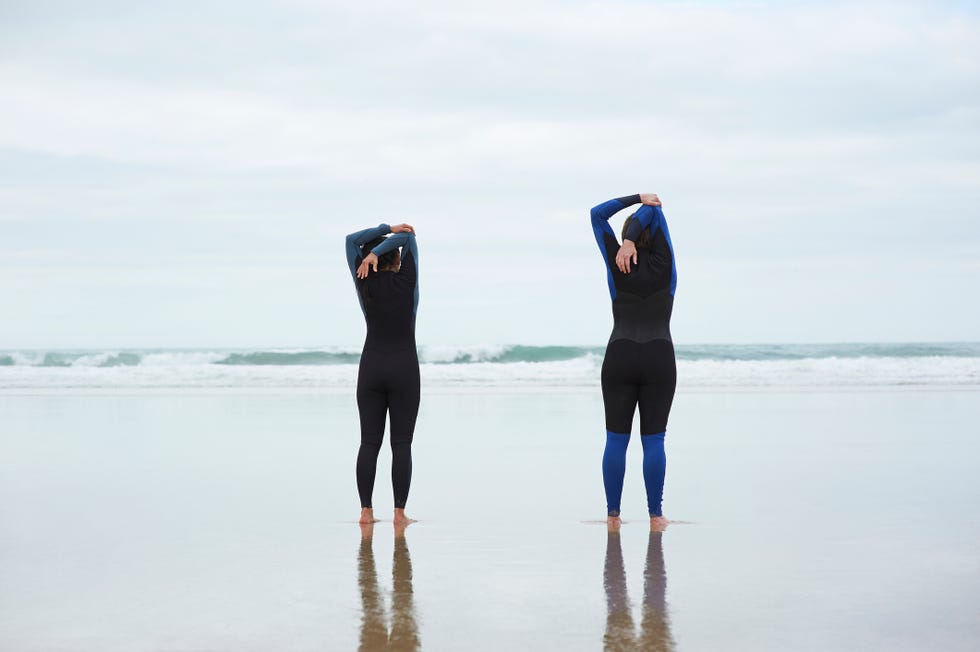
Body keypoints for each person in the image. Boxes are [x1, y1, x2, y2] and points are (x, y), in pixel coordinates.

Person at [590, 193, 677, 531]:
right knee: (654, 440)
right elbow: (654, 212)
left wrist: (635, 201)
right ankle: (656, 517)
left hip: (620, 355)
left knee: (616, 439)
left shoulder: (616, 259)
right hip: (659, 356)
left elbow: (597, 215)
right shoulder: (666, 262)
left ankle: (613, 517)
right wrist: (644, 209)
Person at [345, 222, 420, 526]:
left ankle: (366, 512)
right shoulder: (408, 280)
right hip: (404, 368)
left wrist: (378, 236)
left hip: (371, 367)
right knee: (400, 443)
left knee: (369, 442)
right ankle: (399, 515)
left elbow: (350, 240)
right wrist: (386, 242)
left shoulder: (363, 280)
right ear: (397, 259)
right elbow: (409, 238)